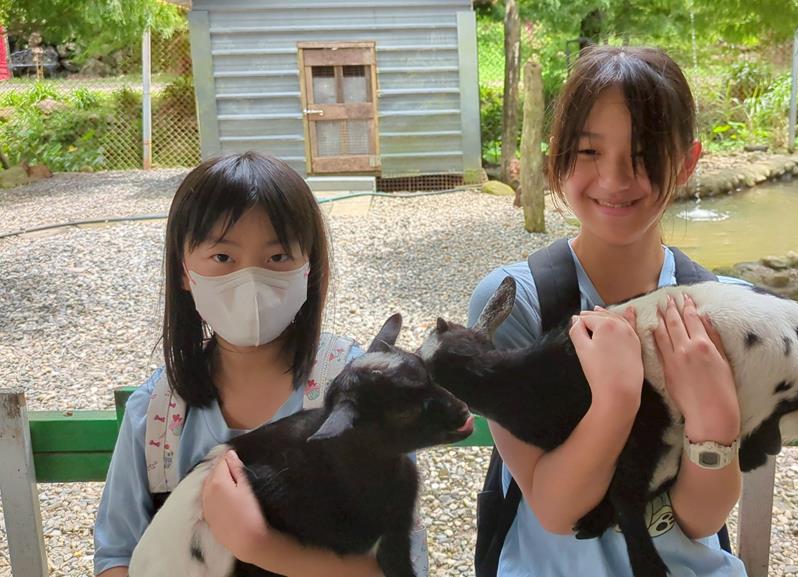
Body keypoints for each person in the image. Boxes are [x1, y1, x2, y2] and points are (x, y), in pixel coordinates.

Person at [467, 46, 748, 576]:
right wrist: (617, 399)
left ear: (687, 163)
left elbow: (700, 519)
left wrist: (717, 422)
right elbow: (556, 510)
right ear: (557, 158)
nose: (615, 179)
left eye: (643, 152)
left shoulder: (722, 308)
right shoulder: (515, 303)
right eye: (589, 151)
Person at [94, 152, 420, 577]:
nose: (251, 280)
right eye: (223, 257)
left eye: (278, 257)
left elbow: (401, 563)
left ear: (309, 266)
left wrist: (259, 545)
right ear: (183, 270)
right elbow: (116, 556)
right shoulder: (157, 416)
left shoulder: (362, 395)